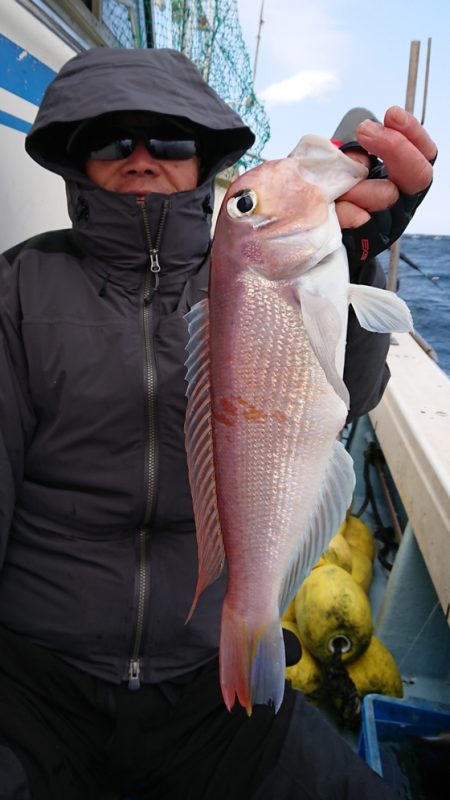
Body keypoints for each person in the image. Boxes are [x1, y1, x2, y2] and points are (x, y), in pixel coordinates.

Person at [0, 47, 436, 800]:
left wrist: (358, 267)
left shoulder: (248, 267)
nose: (141, 158)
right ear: (76, 158)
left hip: (206, 681)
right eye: (111, 140)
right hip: (36, 681)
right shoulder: (16, 290)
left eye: (169, 140)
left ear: (204, 159)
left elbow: (347, 396)